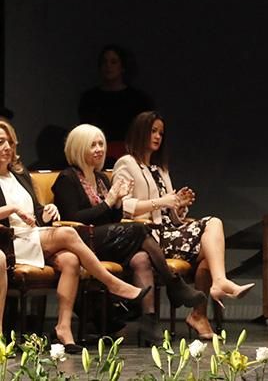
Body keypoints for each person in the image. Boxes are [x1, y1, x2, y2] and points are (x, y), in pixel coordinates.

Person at [0, 119, 150, 353]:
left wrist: (48, 212)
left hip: (33, 236)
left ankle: (63, 328)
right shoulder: (68, 178)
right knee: (69, 233)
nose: (6, 147)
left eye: (9, 142)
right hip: (10, 240)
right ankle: (111, 283)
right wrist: (11, 210)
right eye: (1, 142)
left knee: (70, 259)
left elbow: (37, 212)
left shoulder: (20, 176)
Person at [53, 123, 206, 343]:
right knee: (139, 228)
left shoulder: (101, 179)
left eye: (101, 144)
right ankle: (173, 284)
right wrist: (109, 202)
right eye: (92, 145)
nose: (99, 149)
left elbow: (111, 220)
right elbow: (76, 219)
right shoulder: (66, 179)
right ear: (78, 148)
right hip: (81, 241)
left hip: (102, 240)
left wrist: (116, 204)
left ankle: (149, 321)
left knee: (141, 257)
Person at [112, 111, 252, 340]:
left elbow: (170, 214)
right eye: (153, 131)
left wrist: (179, 207)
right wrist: (163, 201)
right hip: (147, 236)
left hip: (168, 230)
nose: (157, 136)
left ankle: (202, 309)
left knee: (211, 240)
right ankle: (219, 285)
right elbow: (122, 206)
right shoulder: (126, 163)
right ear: (140, 132)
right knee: (211, 228)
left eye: (161, 133)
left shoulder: (160, 168)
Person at [78, 44, 154, 161]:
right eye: (104, 62)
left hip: (131, 155)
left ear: (122, 67)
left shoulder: (138, 99)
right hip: (97, 155)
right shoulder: (89, 98)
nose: (108, 66)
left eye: (113, 62)